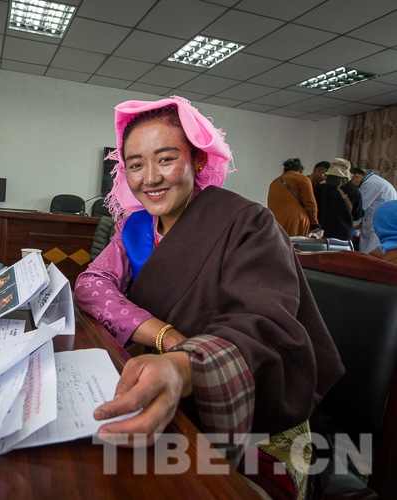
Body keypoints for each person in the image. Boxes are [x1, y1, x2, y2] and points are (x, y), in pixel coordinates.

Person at [73, 97, 343, 499]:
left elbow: (262, 326)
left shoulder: (247, 223)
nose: (150, 178)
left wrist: (184, 366)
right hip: (160, 387)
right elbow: (92, 284)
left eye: (166, 159)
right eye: (135, 165)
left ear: (197, 160)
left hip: (252, 420)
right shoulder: (136, 227)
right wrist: (165, 335)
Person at [267, 158, 321, 237]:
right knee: (295, 244)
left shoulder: (274, 182)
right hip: (296, 221)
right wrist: (314, 223)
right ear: (301, 170)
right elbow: (310, 203)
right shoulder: (303, 179)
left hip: (275, 222)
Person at [314, 159, 364, 242]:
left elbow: (314, 209)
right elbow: (357, 215)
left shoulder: (320, 189)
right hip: (344, 234)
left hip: (322, 233)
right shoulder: (354, 191)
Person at [350, 166, 397, 253]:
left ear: (356, 176)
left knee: (370, 256)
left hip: (375, 227)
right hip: (376, 225)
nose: (351, 185)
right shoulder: (375, 181)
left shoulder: (371, 184)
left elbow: (359, 206)